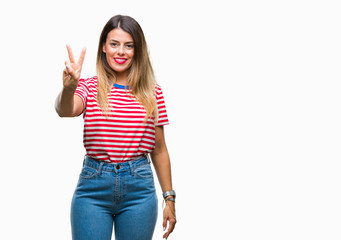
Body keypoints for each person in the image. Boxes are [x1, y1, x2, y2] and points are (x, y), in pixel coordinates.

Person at [55, 15, 176, 240]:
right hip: (93, 188)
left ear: (137, 50)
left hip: (139, 189)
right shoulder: (89, 87)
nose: (121, 51)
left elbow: (159, 150)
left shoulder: (153, 92)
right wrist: (70, 88)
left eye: (128, 46)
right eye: (114, 44)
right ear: (103, 47)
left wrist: (169, 199)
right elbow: (64, 110)